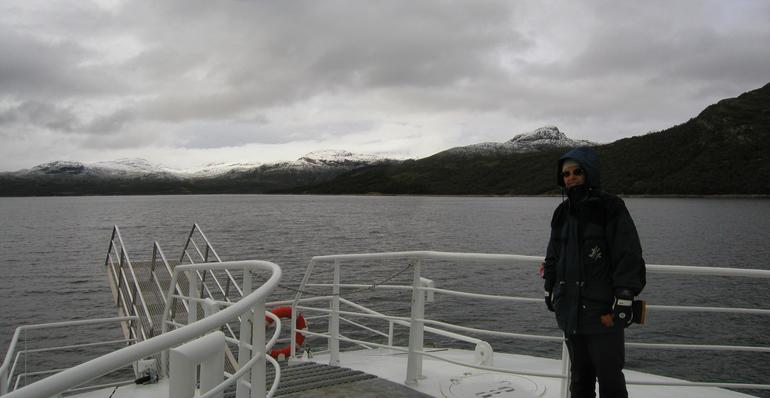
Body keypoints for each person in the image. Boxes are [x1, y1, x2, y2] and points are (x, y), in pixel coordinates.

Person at [541, 147, 646, 398]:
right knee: (579, 380)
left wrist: (624, 295)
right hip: (570, 311)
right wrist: (549, 286)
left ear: (589, 172)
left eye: (577, 171)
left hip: (603, 314)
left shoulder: (610, 207)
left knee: (610, 381)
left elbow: (628, 253)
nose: (571, 177)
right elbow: (553, 253)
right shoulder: (561, 213)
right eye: (566, 174)